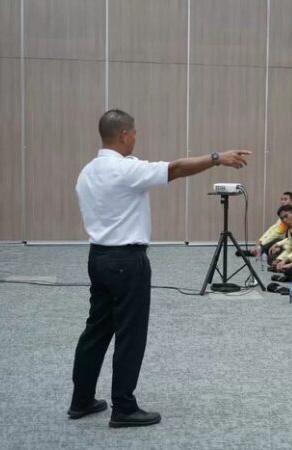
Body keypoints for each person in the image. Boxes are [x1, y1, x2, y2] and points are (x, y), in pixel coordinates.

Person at [69, 109, 250, 427]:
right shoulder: (126, 169)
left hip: (98, 257)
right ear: (124, 134)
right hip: (127, 261)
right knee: (130, 335)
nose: (136, 137)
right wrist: (216, 158)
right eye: (135, 132)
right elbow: (175, 168)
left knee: (95, 331)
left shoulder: (87, 171)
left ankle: (81, 400)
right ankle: (124, 408)